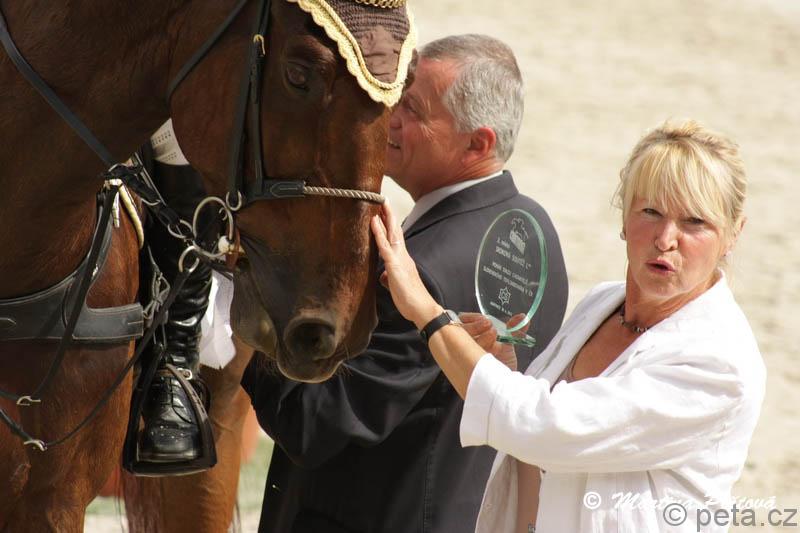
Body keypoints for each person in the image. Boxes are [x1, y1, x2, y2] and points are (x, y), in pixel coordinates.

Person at [240, 34, 569, 532]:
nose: (388, 116)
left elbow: (309, 423)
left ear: (477, 143)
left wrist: (247, 311)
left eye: (413, 109)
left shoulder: (417, 272)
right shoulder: (537, 231)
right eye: (396, 96)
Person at [371, 119, 766, 532]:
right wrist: (504, 370)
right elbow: (537, 440)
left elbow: (544, 427)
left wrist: (423, 309)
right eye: (651, 212)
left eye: (695, 222)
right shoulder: (603, 302)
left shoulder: (720, 363)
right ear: (624, 217)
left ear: (733, 233)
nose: (666, 239)